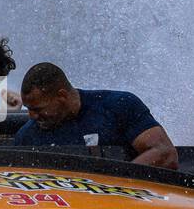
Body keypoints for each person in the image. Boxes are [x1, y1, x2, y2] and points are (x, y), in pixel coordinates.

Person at [14, 62, 178, 168]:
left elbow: (164, 153)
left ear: (62, 96)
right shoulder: (27, 137)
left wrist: (115, 182)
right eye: (28, 108)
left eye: (38, 109)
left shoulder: (119, 106)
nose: (32, 116)